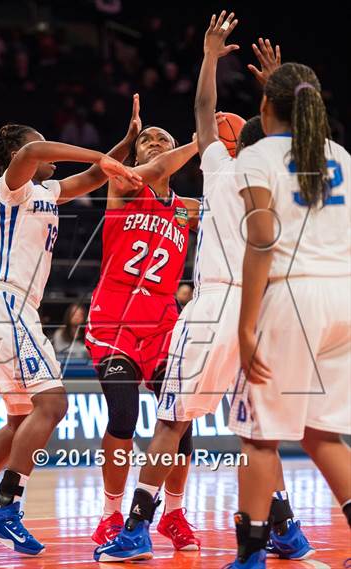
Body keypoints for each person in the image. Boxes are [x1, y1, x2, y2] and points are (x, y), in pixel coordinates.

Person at [93, 11, 312, 563]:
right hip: (261, 311)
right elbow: (292, 131)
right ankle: (284, 528)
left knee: (171, 420)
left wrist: (212, 57)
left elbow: (202, 112)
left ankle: (138, 527)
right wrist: (279, 87)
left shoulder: (216, 167)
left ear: (228, 140)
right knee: (257, 433)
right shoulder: (283, 171)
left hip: (213, 305)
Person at [0, 120, 141, 556]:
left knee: (19, 419)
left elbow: (94, 176)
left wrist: (118, 147)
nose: (45, 156)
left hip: (15, 310)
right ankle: (5, 505)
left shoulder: (46, 192)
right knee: (53, 403)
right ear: (22, 155)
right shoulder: (11, 187)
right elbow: (32, 155)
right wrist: (93, 153)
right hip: (2, 301)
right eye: (40, 149)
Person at [226, 61, 350, 568]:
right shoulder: (340, 154)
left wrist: (245, 323)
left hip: (292, 297)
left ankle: (251, 555)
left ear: (263, 106)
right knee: (322, 433)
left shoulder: (255, 157)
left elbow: (262, 239)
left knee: (259, 436)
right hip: (342, 296)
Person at [86, 93, 201, 550]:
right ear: (136, 154)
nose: (154, 143)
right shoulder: (126, 184)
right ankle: (111, 514)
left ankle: (173, 514)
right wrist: (200, 140)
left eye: (163, 139)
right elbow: (149, 171)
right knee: (124, 414)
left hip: (163, 323)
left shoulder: (189, 208)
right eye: (148, 139)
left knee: (180, 419)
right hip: (114, 318)